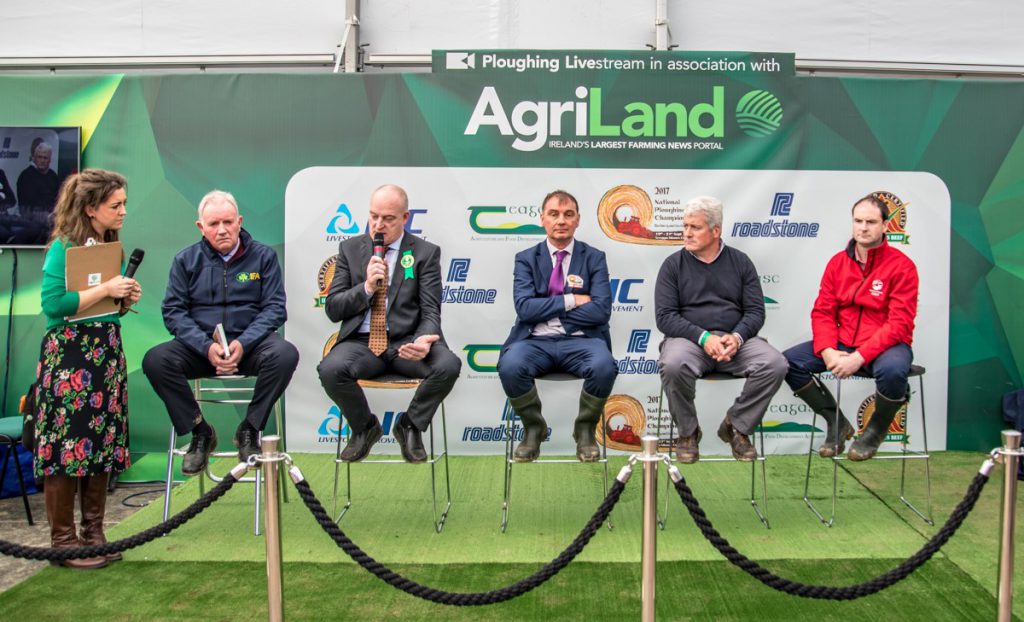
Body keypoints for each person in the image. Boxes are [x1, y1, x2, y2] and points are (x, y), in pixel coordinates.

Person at [142, 190, 298, 474]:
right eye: (213, 224)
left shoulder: (264, 257)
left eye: (228, 222)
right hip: (201, 350)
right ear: (201, 227)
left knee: (286, 354)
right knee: (155, 359)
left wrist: (243, 342)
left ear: (239, 221)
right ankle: (200, 432)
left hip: (249, 349)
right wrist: (206, 347)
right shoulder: (185, 260)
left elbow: (275, 309)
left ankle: (250, 429)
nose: (222, 230)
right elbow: (174, 312)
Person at [33, 169, 141, 569]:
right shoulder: (63, 247)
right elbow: (54, 304)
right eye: (116, 205)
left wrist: (123, 298)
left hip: (105, 356)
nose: (123, 211)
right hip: (69, 358)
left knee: (101, 442)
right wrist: (105, 289)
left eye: (124, 203)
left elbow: (103, 307)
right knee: (67, 446)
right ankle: (63, 541)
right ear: (91, 208)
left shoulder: (109, 244)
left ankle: (93, 534)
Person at [318, 184, 461, 463]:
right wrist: (367, 287)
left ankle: (411, 425)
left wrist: (424, 339)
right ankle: (364, 428)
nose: (378, 225)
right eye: (373, 216)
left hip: (406, 341)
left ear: (405, 218)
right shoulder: (350, 249)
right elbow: (333, 309)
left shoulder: (425, 253)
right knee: (330, 369)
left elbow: (431, 309)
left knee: (448, 365)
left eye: (388, 218)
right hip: (362, 343)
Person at [783, 193, 919, 461]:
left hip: (886, 346)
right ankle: (836, 423)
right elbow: (822, 312)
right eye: (858, 221)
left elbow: (899, 323)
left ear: (885, 225)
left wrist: (859, 357)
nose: (863, 227)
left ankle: (875, 432)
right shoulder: (837, 263)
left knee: (893, 371)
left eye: (871, 221)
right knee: (787, 362)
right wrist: (828, 351)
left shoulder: (902, 266)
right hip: (842, 342)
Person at [655, 196, 788, 464]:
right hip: (691, 341)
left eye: (695, 227)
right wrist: (704, 338)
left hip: (734, 341)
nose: (687, 233)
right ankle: (688, 433)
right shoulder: (672, 265)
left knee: (775, 363)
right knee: (672, 364)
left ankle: (736, 426)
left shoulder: (740, 262)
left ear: (716, 231)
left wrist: (737, 337)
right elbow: (665, 318)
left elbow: (755, 312)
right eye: (685, 226)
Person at [496, 189, 618, 462]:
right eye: (554, 214)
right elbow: (524, 309)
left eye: (568, 214)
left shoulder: (594, 257)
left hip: (582, 342)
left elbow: (601, 311)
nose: (561, 220)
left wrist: (549, 314)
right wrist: (573, 299)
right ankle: (533, 429)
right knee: (511, 365)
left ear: (578, 220)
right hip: (534, 342)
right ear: (542, 219)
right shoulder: (526, 258)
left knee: (604, 366)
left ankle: (585, 429)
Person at [17, 141, 60, 220]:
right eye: (39, 157)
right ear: (34, 158)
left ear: (49, 160)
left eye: (45, 158)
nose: (42, 160)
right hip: (31, 218)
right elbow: (27, 206)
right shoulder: (26, 176)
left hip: (52, 216)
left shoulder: (53, 176)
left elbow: (59, 199)